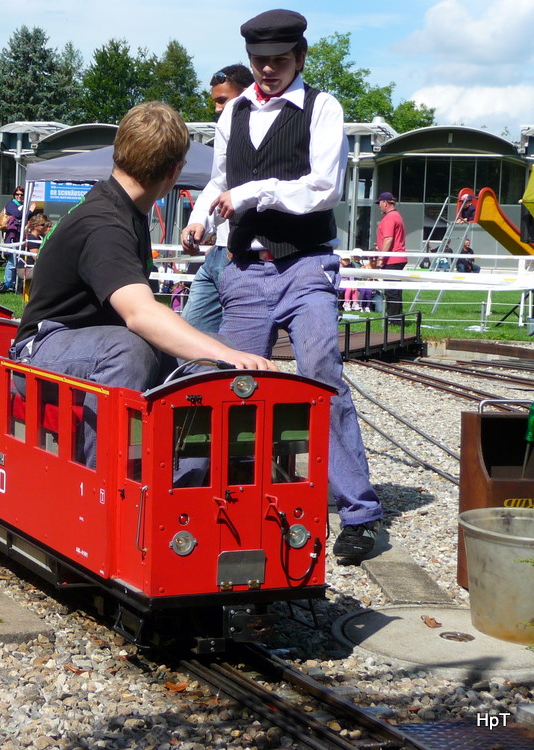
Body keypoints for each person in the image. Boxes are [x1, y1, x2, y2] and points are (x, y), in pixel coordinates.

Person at [180, 9, 382, 562]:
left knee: (321, 375)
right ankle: (210, 494)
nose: (267, 70)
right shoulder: (234, 113)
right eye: (259, 62)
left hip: (305, 266)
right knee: (232, 384)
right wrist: (201, 219)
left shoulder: (323, 107)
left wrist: (252, 195)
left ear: (300, 58)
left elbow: (324, 188)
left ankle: (358, 512)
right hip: (245, 269)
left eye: (278, 61)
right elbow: (220, 180)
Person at [11, 101, 275, 394]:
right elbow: (140, 314)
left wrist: (225, 354)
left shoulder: (124, 209)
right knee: (130, 351)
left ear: (118, 150)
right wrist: (225, 357)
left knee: (218, 350)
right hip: (40, 352)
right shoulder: (105, 223)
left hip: (93, 343)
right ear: (175, 170)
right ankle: (113, 442)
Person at [181, 64, 255, 333]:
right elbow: (219, 181)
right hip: (220, 253)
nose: (216, 109)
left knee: (238, 343)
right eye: (215, 101)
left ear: (246, 94)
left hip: (248, 259)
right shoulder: (226, 128)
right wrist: (198, 222)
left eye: (222, 100)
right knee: (189, 336)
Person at [376, 191, 407, 315]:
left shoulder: (389, 217)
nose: (379, 205)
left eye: (379, 203)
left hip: (392, 260)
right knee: (395, 290)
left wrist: (380, 258)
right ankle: (397, 318)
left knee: (391, 291)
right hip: (398, 258)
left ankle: (394, 320)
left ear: (385, 202)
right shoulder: (397, 216)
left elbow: (389, 238)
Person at [1, 186, 25, 292]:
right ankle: (7, 283)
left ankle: (15, 284)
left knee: (19, 261)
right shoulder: (11, 204)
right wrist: (29, 210)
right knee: (12, 261)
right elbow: (18, 214)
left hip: (22, 237)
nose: (19, 196)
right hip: (12, 237)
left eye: (21, 194)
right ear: (14, 195)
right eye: (17, 194)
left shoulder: (24, 205)